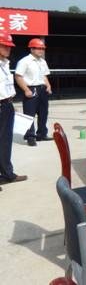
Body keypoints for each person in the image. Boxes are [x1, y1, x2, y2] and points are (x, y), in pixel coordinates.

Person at [0, 31, 27, 188]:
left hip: (6, 105)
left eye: (9, 46)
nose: (8, 48)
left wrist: (10, 103)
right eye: (4, 46)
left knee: (5, 142)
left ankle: (7, 174)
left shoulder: (5, 63)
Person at [14, 38, 53, 146]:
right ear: (31, 49)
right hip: (31, 89)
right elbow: (18, 76)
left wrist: (48, 85)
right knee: (29, 114)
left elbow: (44, 75)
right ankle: (31, 136)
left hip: (42, 89)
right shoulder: (24, 61)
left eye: (42, 48)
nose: (41, 50)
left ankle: (42, 134)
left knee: (43, 113)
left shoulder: (43, 61)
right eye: (38, 48)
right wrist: (26, 90)